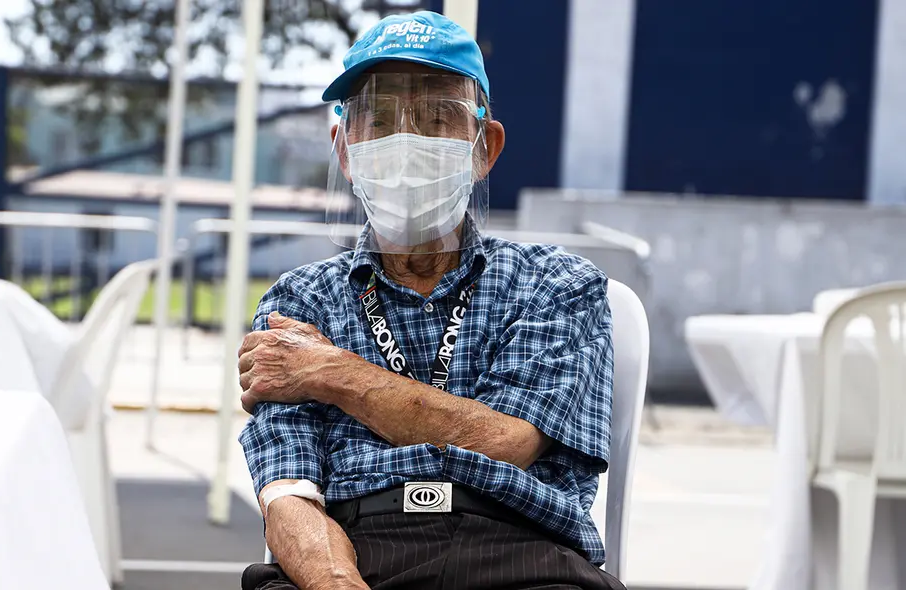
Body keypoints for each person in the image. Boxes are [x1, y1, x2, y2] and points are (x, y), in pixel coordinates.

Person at [239, 10, 624, 590]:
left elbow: (508, 442)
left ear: (483, 148)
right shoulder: (300, 302)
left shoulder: (557, 286)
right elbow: (288, 494)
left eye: (437, 117)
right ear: (345, 150)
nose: (406, 139)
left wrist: (330, 372)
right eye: (379, 119)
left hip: (520, 560)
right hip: (352, 552)